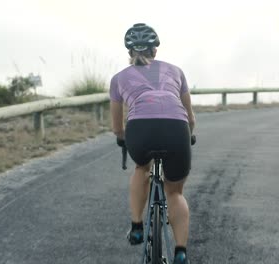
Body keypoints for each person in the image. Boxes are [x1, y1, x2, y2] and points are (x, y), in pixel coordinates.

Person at [109, 23, 195, 264]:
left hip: (140, 130)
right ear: (155, 51)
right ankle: (180, 252)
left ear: (129, 53)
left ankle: (137, 226)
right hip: (176, 129)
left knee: (141, 168)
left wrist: (122, 138)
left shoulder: (118, 79)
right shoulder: (176, 71)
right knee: (175, 192)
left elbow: (117, 127)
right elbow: (190, 118)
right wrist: (190, 135)